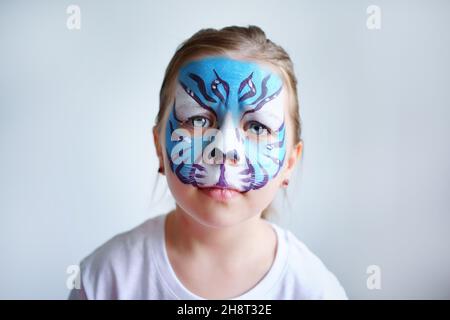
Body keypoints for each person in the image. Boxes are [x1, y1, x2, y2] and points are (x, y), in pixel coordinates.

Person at [69, 25, 348, 300]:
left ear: (289, 162)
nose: (225, 149)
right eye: (198, 121)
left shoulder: (315, 290)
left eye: (257, 128)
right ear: (159, 146)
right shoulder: (105, 280)